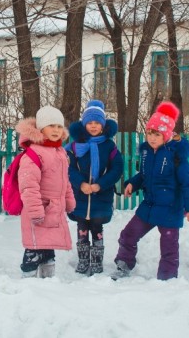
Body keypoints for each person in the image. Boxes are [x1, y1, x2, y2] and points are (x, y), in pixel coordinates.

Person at [112, 101, 189, 281]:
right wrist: (132, 184)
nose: (151, 138)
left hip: (170, 209)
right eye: (149, 133)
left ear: (166, 135)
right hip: (149, 206)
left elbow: (187, 183)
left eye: (157, 134)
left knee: (169, 246)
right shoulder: (147, 152)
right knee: (128, 234)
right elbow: (144, 175)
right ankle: (124, 264)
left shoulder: (177, 156)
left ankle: (167, 278)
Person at [15, 106, 76, 278]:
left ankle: (48, 283)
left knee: (48, 250)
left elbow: (65, 181)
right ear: (41, 128)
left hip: (54, 210)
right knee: (34, 249)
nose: (56, 130)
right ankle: (28, 282)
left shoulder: (60, 152)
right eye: (51, 126)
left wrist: (69, 200)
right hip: (39, 210)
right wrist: (35, 211)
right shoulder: (33, 154)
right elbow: (28, 186)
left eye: (59, 126)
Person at [67, 100, 123, 275]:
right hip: (81, 195)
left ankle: (97, 262)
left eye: (97, 123)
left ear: (103, 125)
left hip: (101, 196)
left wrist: (100, 185)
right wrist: (80, 184)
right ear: (84, 124)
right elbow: (68, 168)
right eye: (90, 123)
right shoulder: (75, 146)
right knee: (82, 227)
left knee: (97, 228)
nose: (93, 126)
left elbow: (117, 169)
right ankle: (83, 260)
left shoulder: (109, 146)